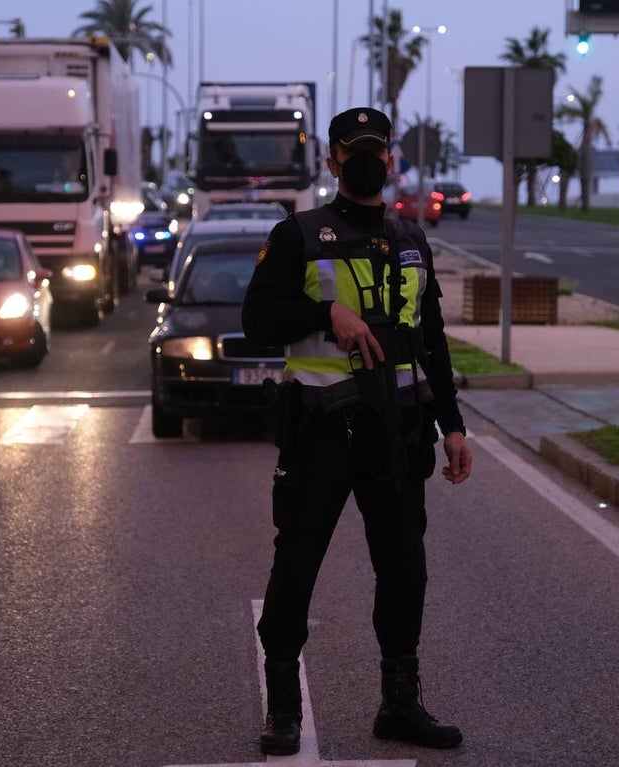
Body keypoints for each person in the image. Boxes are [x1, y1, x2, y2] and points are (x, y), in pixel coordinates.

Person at [241, 107, 473, 756]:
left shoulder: (411, 241)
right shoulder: (297, 236)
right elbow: (258, 316)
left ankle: (400, 703)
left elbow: (431, 340)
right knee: (297, 566)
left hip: (398, 436)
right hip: (321, 432)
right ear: (332, 160)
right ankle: (283, 707)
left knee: (405, 571)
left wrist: (453, 425)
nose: (369, 159)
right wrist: (326, 311)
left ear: (392, 158)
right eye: (354, 149)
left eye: (378, 149)